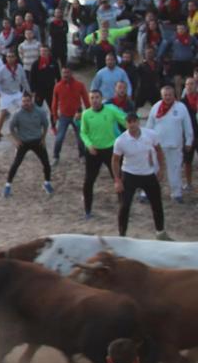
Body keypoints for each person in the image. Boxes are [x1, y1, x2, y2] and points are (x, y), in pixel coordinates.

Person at [113, 111, 169, 239]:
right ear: (126, 124)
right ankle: (122, 235)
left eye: (134, 121)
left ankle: (160, 233)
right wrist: (117, 179)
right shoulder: (120, 140)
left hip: (148, 174)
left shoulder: (151, 135)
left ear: (138, 122)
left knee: (157, 204)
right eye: (129, 122)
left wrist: (161, 169)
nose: (132, 125)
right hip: (129, 174)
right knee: (125, 206)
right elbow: (115, 160)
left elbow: (159, 151)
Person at [80, 89, 127, 219]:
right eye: (92, 98)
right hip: (94, 151)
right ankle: (87, 210)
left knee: (118, 178)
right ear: (89, 100)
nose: (94, 100)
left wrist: (134, 130)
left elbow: (125, 120)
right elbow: (83, 132)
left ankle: (123, 208)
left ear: (101, 98)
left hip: (111, 150)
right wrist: (89, 145)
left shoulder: (111, 109)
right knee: (89, 181)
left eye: (97, 97)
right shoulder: (86, 114)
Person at [145, 85, 193, 204]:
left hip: (174, 145)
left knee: (175, 170)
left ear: (174, 95)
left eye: (170, 95)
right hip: (157, 146)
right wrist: (146, 141)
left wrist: (189, 141)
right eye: (165, 95)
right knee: (152, 169)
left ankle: (176, 194)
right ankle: (147, 193)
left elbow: (187, 126)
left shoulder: (181, 108)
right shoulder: (156, 107)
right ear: (162, 96)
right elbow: (149, 126)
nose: (167, 97)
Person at [3, 92, 54, 198]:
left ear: (32, 101)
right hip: (24, 142)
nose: (25, 103)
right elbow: (11, 128)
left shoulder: (40, 112)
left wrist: (43, 138)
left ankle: (47, 183)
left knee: (46, 163)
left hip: (37, 141)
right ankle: (7, 186)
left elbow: (45, 125)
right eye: (23, 101)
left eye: (27, 101)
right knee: (16, 164)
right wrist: (16, 140)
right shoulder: (17, 114)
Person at [51, 66, 90, 165]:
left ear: (71, 73)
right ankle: (56, 156)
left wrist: (89, 114)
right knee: (59, 137)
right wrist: (55, 115)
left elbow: (86, 99)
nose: (66, 75)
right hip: (64, 116)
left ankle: (82, 155)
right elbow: (54, 103)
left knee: (81, 137)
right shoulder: (58, 86)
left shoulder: (79, 85)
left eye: (67, 72)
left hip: (77, 115)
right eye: (64, 73)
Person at [0, 51, 30, 141]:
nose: (10, 58)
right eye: (8, 56)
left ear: (15, 58)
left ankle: (24, 130)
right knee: (3, 113)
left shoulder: (20, 68)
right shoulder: (2, 69)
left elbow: (24, 80)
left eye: (12, 56)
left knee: (25, 109)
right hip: (5, 93)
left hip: (16, 92)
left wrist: (29, 91)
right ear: (6, 58)